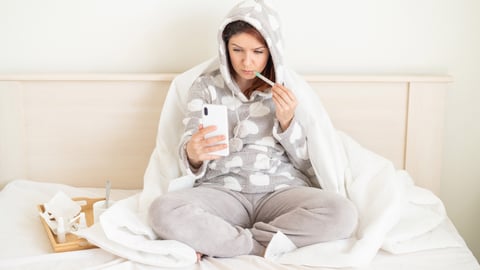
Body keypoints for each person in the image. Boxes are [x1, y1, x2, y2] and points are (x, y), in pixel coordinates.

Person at [149, 0, 357, 260]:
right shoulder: (205, 87)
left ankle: (233, 242)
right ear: (225, 48)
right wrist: (192, 152)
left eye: (258, 52)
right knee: (162, 209)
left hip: (280, 192)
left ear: (271, 51)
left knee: (343, 213)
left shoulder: (288, 91)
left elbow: (309, 162)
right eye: (237, 50)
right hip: (222, 192)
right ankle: (258, 244)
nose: (247, 62)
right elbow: (189, 155)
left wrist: (287, 121)